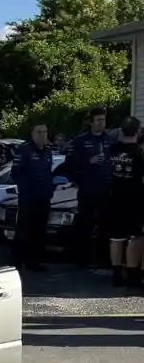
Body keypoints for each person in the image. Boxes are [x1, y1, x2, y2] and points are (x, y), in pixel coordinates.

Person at [65, 107, 113, 267]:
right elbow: (70, 164)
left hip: (106, 188)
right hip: (87, 188)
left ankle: (103, 257)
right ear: (91, 122)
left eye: (103, 120)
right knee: (85, 223)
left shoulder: (110, 140)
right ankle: (83, 257)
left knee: (105, 224)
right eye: (98, 120)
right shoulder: (80, 141)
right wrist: (88, 162)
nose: (102, 123)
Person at [105, 119, 144, 287]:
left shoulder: (111, 149)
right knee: (135, 237)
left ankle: (116, 274)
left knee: (116, 238)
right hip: (134, 199)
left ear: (121, 131)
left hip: (113, 197)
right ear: (137, 132)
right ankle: (132, 273)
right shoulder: (138, 153)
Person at [10, 124, 54, 273]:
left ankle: (34, 262)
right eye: (39, 132)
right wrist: (27, 188)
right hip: (28, 198)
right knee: (24, 230)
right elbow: (15, 173)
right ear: (32, 134)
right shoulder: (24, 150)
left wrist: (49, 190)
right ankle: (16, 262)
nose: (42, 134)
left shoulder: (48, 152)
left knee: (40, 231)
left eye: (44, 132)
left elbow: (48, 174)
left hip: (43, 197)